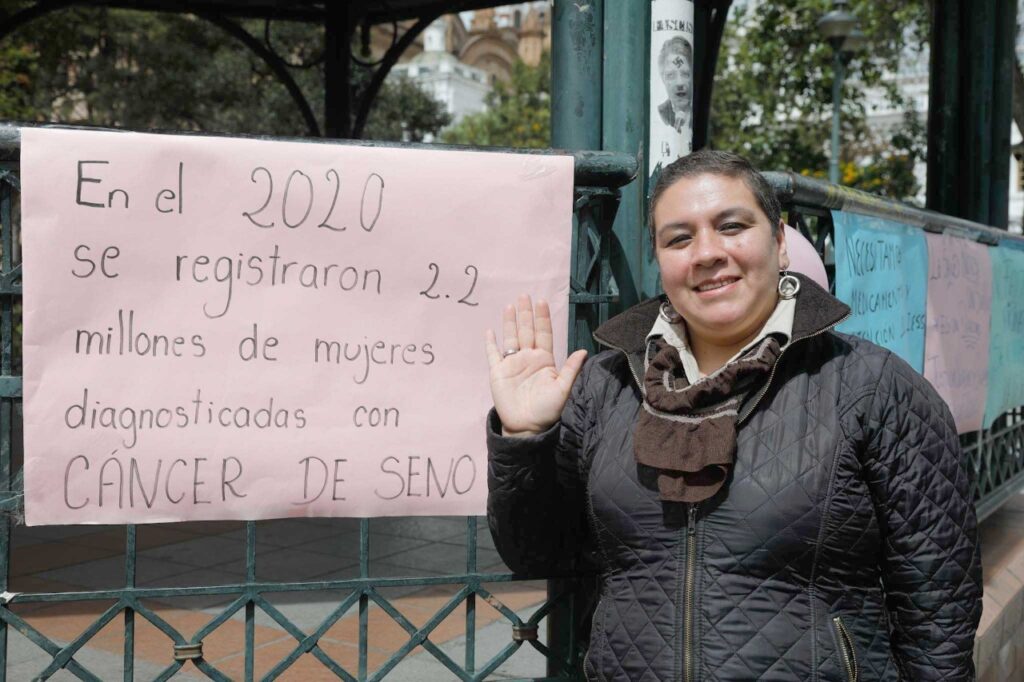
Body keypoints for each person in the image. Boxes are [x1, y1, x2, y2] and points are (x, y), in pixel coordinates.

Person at [485, 150, 981, 681]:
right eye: (679, 238)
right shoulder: (605, 387)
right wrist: (524, 436)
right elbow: (536, 551)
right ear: (659, 260)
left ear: (780, 242)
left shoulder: (873, 387)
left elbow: (939, 603)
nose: (707, 253)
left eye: (732, 226)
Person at [656, 36, 693, 133]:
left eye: (685, 74)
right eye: (671, 75)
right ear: (663, 79)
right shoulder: (659, 113)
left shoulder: (700, 112)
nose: (679, 83)